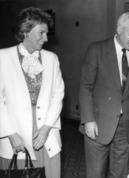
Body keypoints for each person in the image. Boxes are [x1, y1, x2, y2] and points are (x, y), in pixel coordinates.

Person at [79, 11, 129, 178]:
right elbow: (86, 87)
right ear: (119, 29)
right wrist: (88, 119)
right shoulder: (97, 50)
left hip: (126, 125)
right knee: (95, 174)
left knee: (121, 174)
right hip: (98, 123)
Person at [0, 7, 64, 178]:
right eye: (41, 33)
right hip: (15, 134)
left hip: (46, 132)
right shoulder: (3, 58)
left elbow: (58, 95)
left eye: (46, 33)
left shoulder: (51, 58)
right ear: (25, 32)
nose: (45, 38)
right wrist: (10, 134)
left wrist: (46, 128)